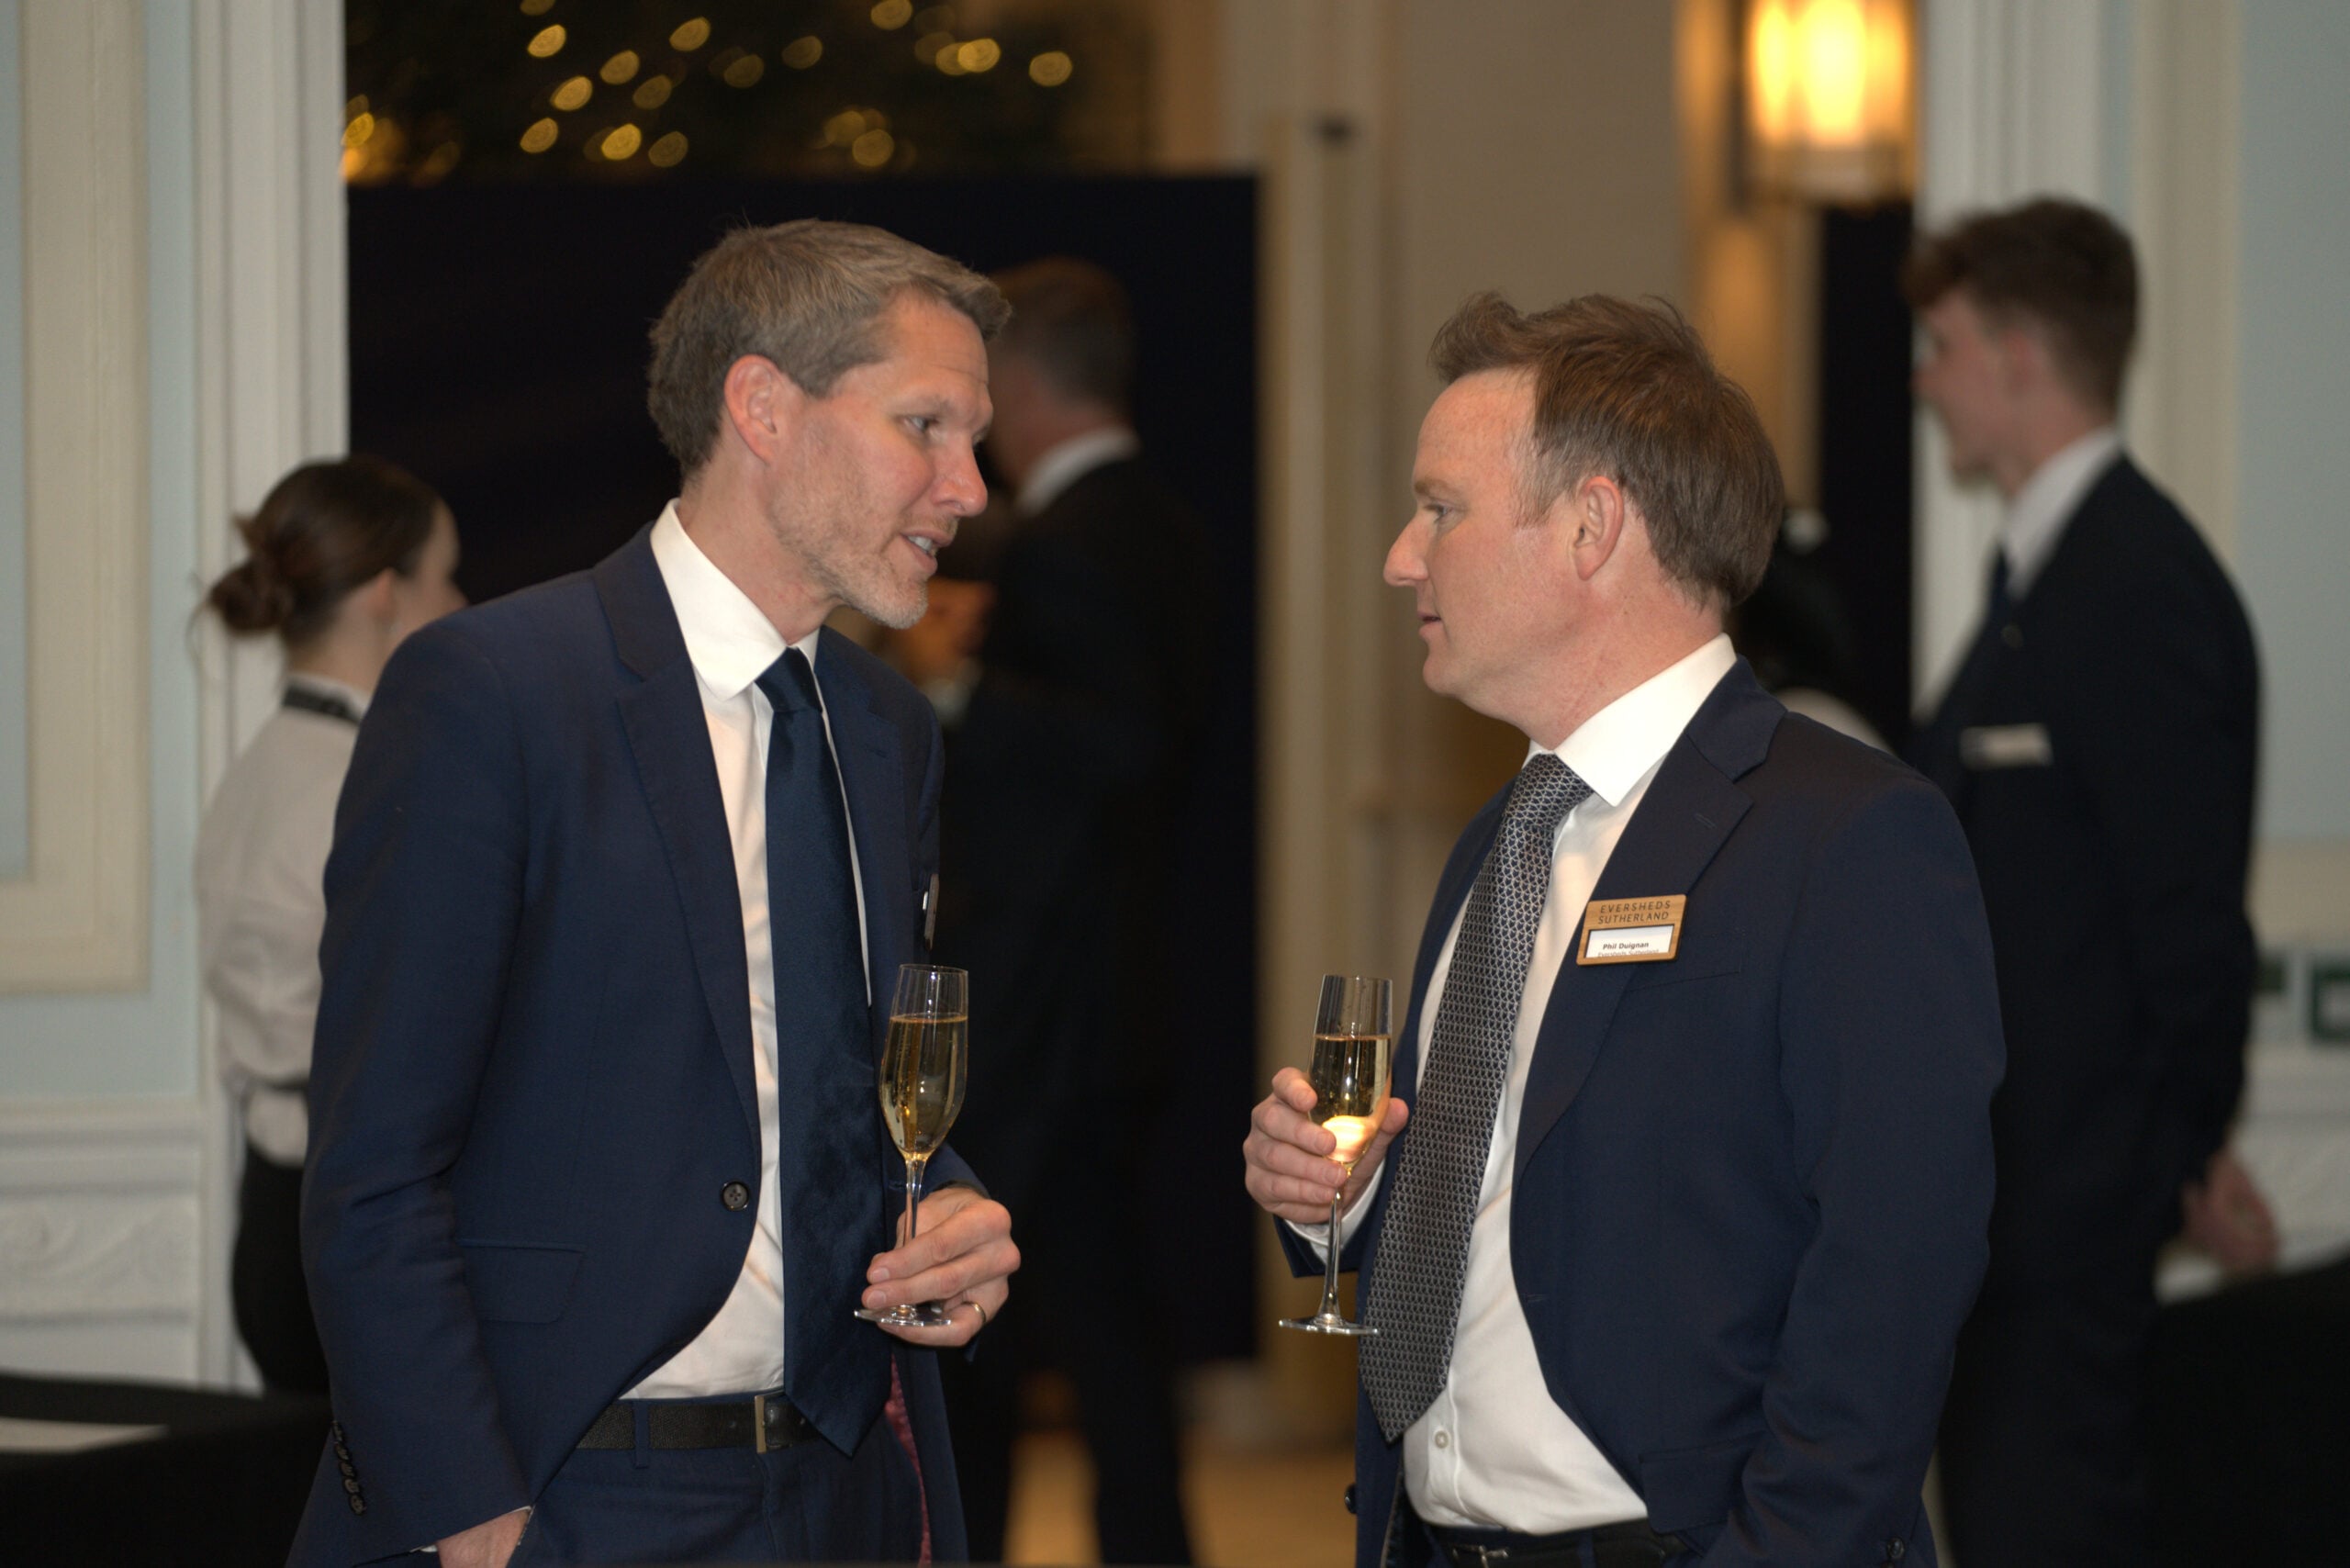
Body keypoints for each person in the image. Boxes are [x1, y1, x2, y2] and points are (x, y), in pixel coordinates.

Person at [292, 219, 1021, 1568]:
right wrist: (465, 1504)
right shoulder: (496, 693)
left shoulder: (886, 729)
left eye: (974, 440)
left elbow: (834, 1087)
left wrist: (948, 1209)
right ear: (763, 407)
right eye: (925, 425)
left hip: (852, 1485)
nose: (969, 486)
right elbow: (375, 1164)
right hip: (576, 1492)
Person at [1242, 293, 2003, 1568]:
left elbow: (1893, 1275)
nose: (1400, 558)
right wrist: (1342, 1198)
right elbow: (1512, 1201)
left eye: (1440, 509)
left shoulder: (1847, 834)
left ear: (1591, 526)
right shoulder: (1505, 836)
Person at [1903, 196, 2272, 1566]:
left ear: (2018, 355)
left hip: (2067, 1221)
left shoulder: (2137, 586)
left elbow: (2188, 925)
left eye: (1942, 344)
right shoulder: (2046, 578)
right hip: (2014, 1212)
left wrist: (2164, 1162)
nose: (1925, 379)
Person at [929, 257, 1207, 1565]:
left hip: (1037, 1016)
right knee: (1114, 1338)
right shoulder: (1168, 521)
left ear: (1021, 387)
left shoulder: (1056, 548)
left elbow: (1116, 749)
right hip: (1125, 995)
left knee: (984, 1337)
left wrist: (956, 690)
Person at [196, 455, 464, 1394]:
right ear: (387, 593)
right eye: (446, 576)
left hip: (279, 1224)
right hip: (364, 1234)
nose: (460, 604)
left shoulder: (257, 772)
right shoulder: (372, 785)